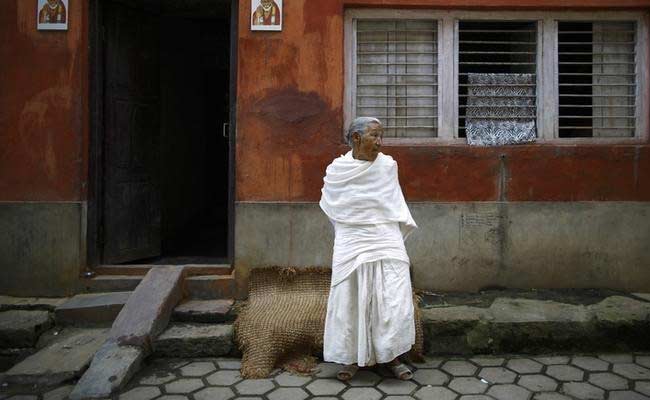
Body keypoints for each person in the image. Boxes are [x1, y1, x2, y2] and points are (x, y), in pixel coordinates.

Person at [319, 117, 417, 381]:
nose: (380, 142)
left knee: (392, 297)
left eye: (381, 135)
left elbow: (392, 202)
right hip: (351, 238)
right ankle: (351, 357)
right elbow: (333, 208)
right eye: (375, 135)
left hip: (385, 236)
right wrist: (352, 228)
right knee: (350, 298)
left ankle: (392, 356)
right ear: (356, 139)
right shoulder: (337, 170)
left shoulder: (387, 166)